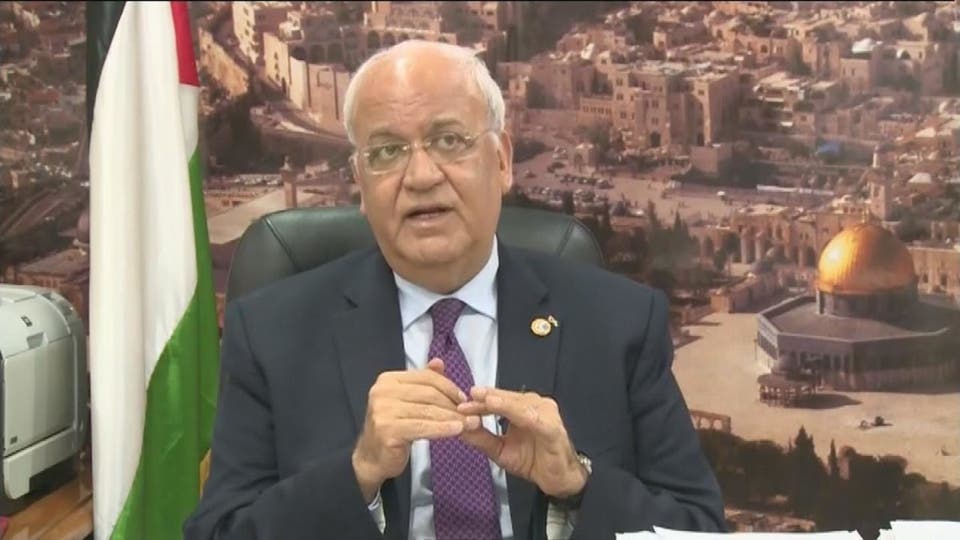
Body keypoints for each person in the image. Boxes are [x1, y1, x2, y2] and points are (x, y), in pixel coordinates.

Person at [183, 40, 724, 540]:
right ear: (360, 183)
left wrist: (578, 484)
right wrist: (356, 475)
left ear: (502, 160)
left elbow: (698, 528)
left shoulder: (619, 322)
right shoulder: (271, 334)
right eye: (387, 151)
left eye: (448, 141)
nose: (421, 175)